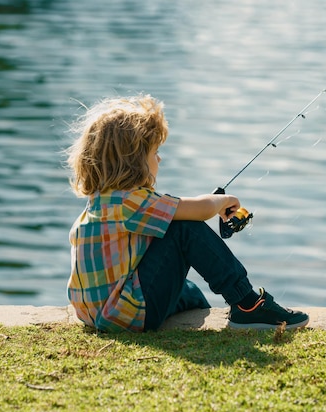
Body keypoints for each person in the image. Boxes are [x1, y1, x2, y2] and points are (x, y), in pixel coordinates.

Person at [66, 94, 309, 332]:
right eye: (154, 153)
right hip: (127, 314)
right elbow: (200, 210)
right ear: (133, 161)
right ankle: (247, 303)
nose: (159, 159)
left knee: (190, 292)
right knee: (183, 227)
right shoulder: (132, 202)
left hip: (94, 313)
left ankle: (205, 310)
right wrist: (223, 200)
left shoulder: (98, 202)